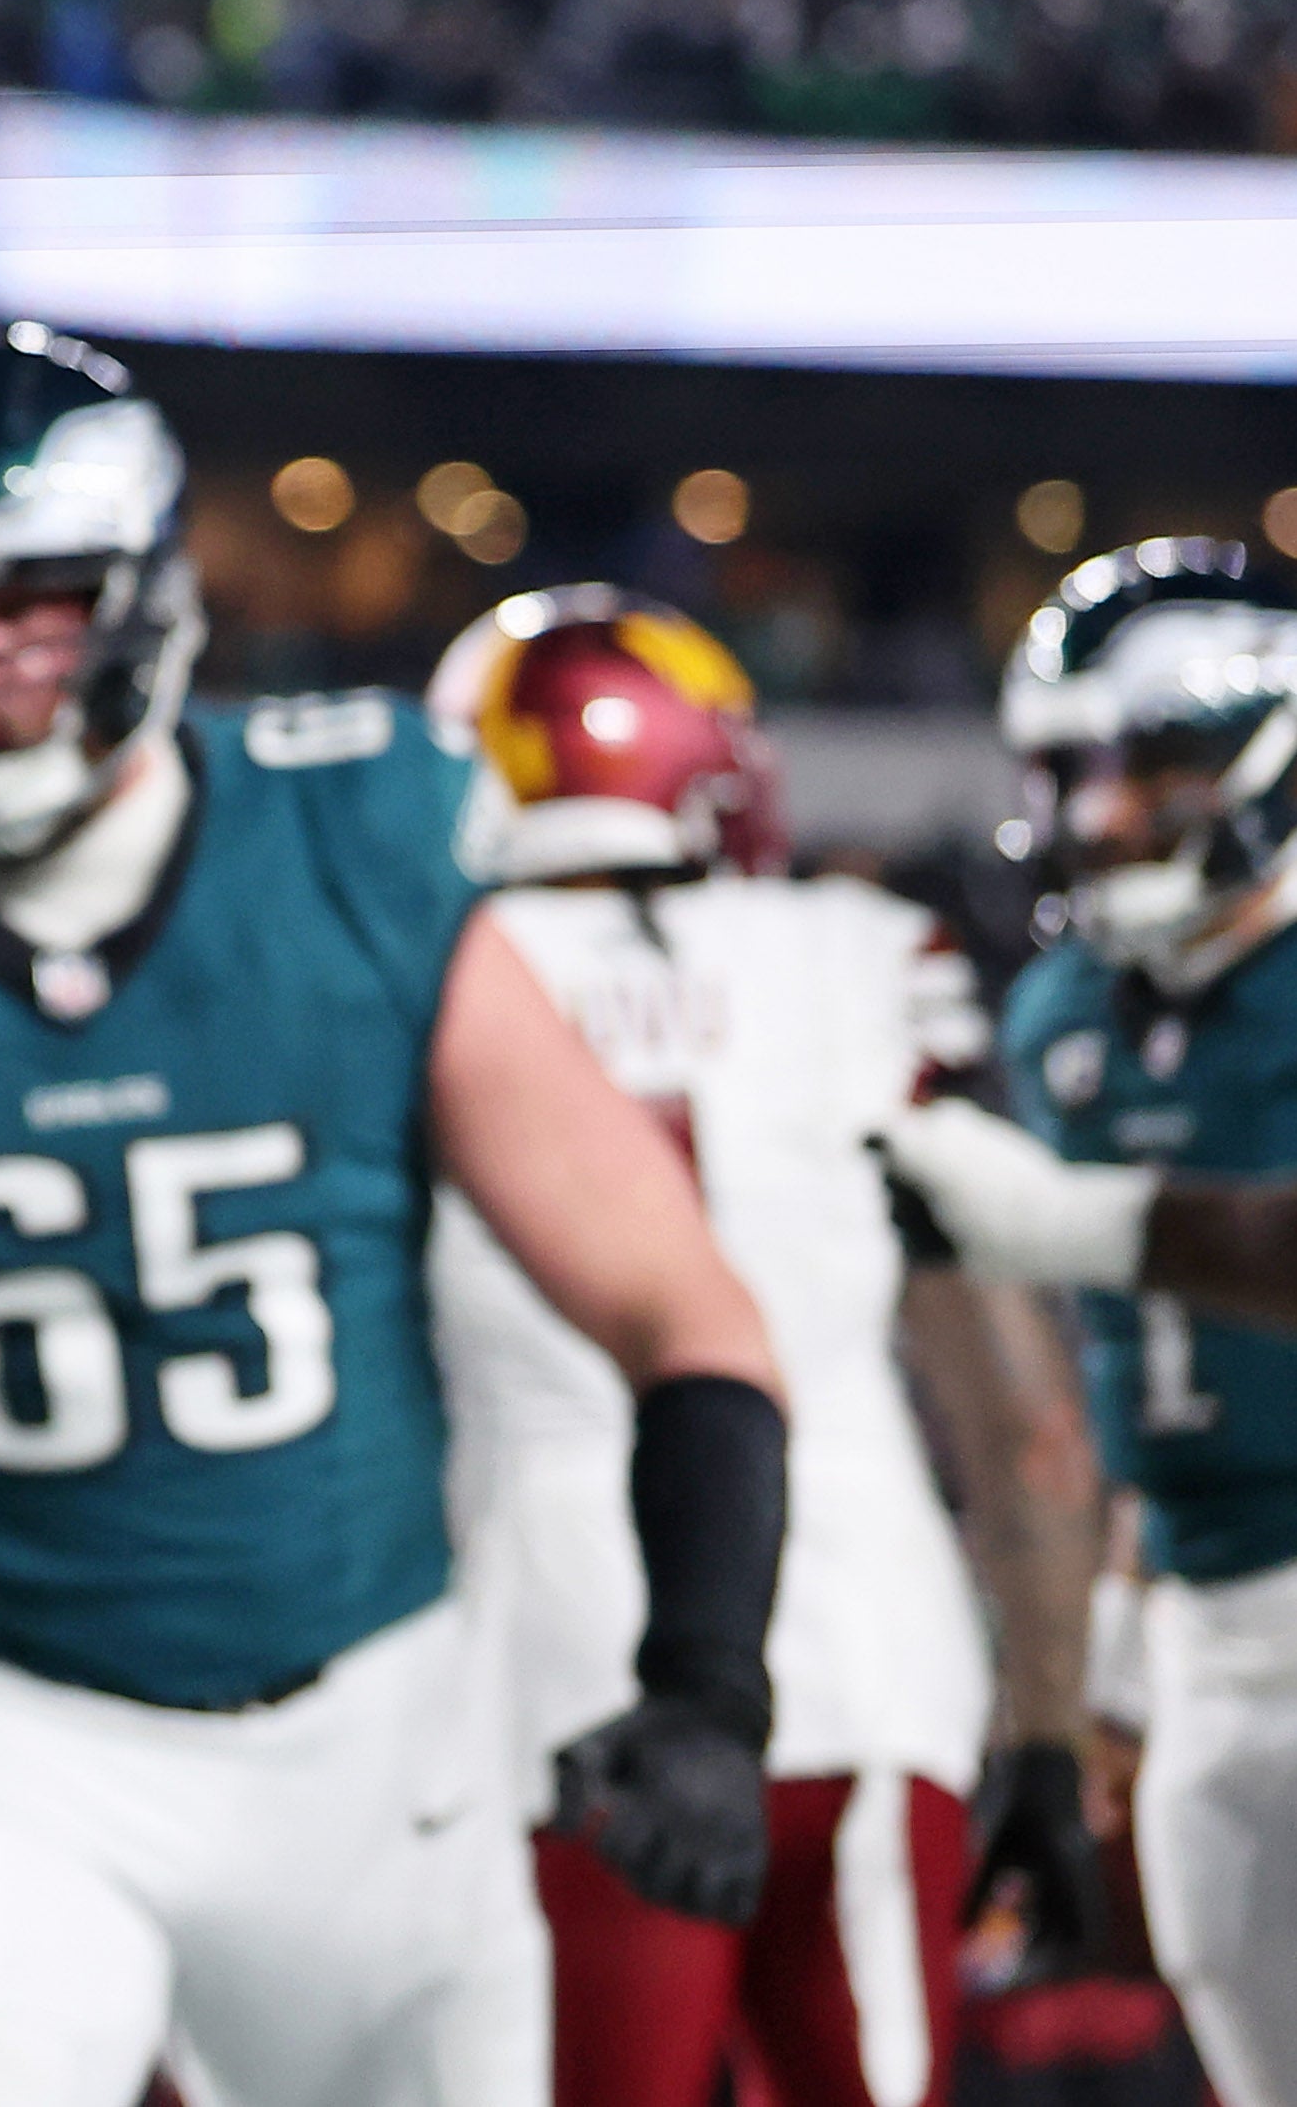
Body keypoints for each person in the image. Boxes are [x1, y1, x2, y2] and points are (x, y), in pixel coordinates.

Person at [0, 322, 786, 2107]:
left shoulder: (347, 842)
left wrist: (710, 1692)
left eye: (19, 609)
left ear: (130, 605)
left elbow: (690, 1320)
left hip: (375, 1731)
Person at [426, 586, 1103, 2107]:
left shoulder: (437, 974)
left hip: (554, 1665)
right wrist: (1048, 1737)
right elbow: (1027, 1428)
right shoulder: (861, 959)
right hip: (868, 1660)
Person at [868, 538, 1297, 2107]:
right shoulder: (1062, 1016)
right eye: (1075, 769)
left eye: (1156, 765)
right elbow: (1119, 1371)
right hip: (1204, 1630)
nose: (1104, 814)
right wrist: (1098, 1681)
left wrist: (1073, 1220)